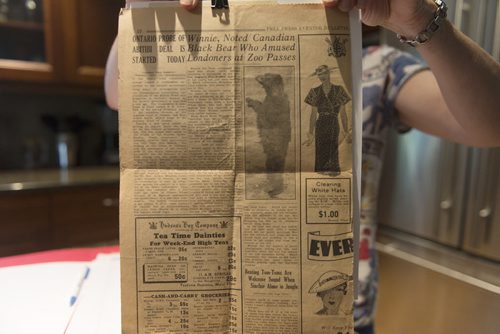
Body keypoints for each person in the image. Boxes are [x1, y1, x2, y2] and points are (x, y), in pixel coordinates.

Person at [105, 1, 500, 333]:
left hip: (340, 315)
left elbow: (490, 124)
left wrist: (421, 20)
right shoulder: (201, 43)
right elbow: (115, 91)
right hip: (207, 313)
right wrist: (146, 7)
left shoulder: (379, 67)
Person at [304, 65, 351, 174]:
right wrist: (311, 133)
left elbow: (343, 114)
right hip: (320, 123)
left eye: (324, 73)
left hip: (333, 122)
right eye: (319, 74)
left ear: (329, 73)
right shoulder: (315, 91)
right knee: (320, 149)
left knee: (332, 147)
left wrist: (346, 131)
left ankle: (333, 172)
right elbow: (313, 114)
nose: (322, 76)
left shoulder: (339, 90)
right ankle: (320, 174)